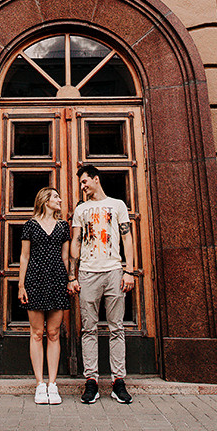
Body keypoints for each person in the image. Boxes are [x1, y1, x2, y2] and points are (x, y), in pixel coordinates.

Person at [67, 164, 136, 404]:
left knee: (117, 328)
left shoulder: (118, 205)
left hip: (114, 272)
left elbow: (127, 238)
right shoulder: (81, 209)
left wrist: (129, 270)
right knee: (89, 329)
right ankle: (92, 381)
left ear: (96, 179)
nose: (83, 186)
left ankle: (118, 382)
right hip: (87, 273)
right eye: (81, 183)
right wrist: (72, 276)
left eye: (85, 181)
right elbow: (75, 241)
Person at [17, 186, 71, 405]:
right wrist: (21, 286)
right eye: (55, 197)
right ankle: (39, 384)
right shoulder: (30, 226)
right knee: (37, 333)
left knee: (54, 333)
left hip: (57, 280)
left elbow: (66, 258)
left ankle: (52, 384)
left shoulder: (63, 226)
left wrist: (68, 280)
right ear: (45, 200)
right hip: (35, 281)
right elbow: (24, 257)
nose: (59, 200)